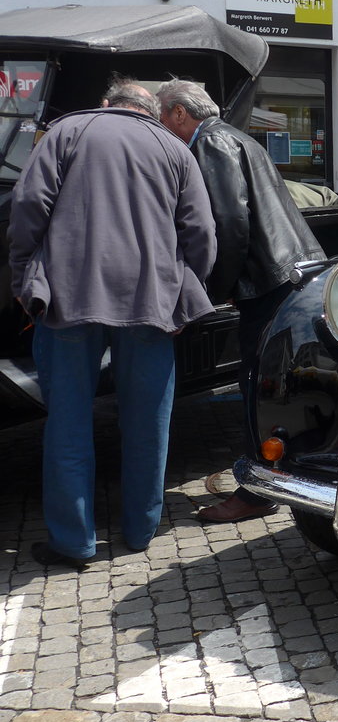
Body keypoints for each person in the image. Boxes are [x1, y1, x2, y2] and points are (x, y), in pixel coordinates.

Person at [9, 77, 216, 568]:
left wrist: (23, 277)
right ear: (151, 110)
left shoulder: (66, 131)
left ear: (106, 104)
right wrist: (187, 289)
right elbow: (202, 232)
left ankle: (73, 542)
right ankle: (141, 531)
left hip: (68, 297)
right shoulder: (174, 148)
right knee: (148, 421)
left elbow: (27, 206)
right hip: (151, 300)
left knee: (69, 422)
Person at [156, 78, 325, 523]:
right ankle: (275, 476)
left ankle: (256, 491)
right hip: (285, 270)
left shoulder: (210, 143)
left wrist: (216, 287)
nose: (160, 126)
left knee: (256, 385)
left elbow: (229, 222)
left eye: (161, 116)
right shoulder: (234, 136)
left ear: (178, 113)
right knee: (272, 383)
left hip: (266, 281)